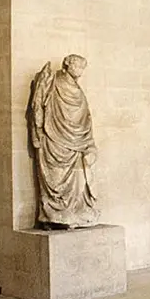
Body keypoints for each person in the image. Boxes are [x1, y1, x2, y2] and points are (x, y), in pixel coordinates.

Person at [30, 54, 99, 228]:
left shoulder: (78, 90)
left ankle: (76, 212)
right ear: (68, 65)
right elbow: (40, 107)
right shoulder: (54, 83)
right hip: (55, 139)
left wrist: (87, 141)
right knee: (56, 176)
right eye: (78, 67)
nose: (81, 72)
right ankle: (54, 215)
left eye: (83, 68)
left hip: (77, 141)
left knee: (78, 180)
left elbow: (85, 117)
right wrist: (38, 130)